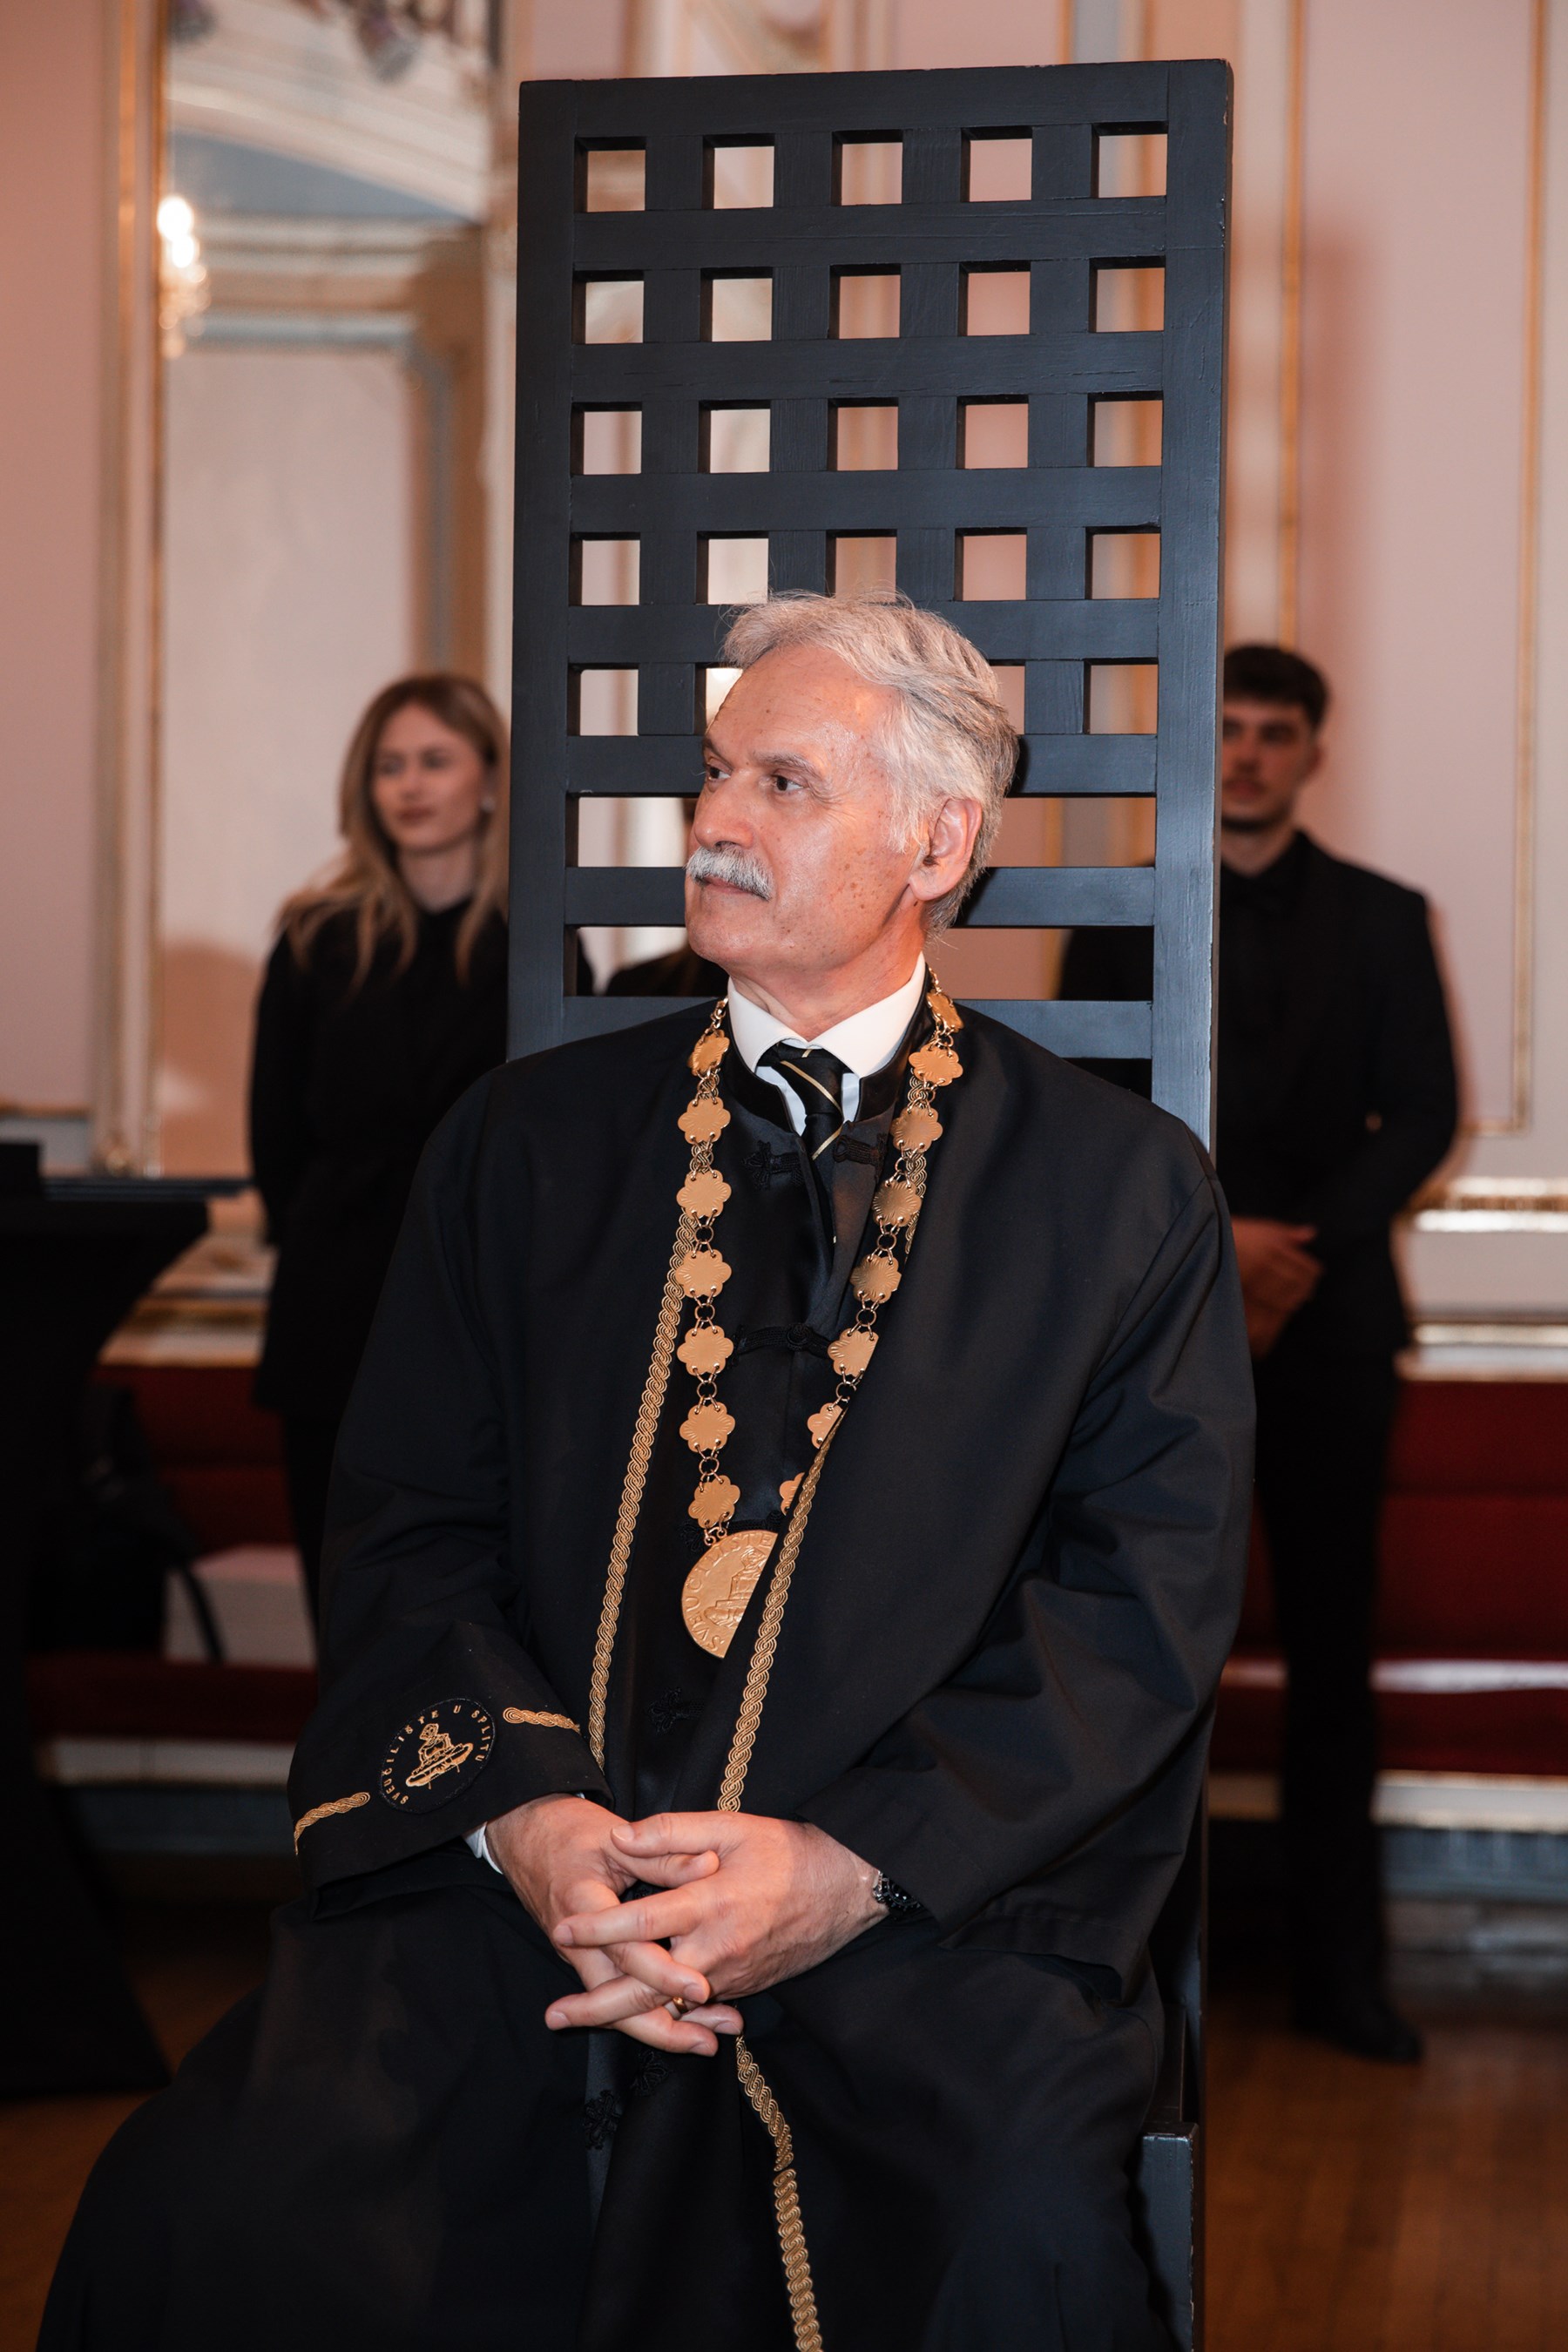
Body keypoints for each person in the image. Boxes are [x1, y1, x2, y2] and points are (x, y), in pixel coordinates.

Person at [45, 596, 1252, 2352]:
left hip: (916, 1915)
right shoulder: (519, 1146)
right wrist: (533, 1826)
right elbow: (410, 1531)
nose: (713, 821)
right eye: (713, 773)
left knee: (1013, 2242)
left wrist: (850, 1867)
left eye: (783, 783)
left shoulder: (1122, 1193)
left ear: (938, 844)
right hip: (526, 1887)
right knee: (209, 2206)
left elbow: (1138, 1603)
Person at [1059, 642, 1457, 2063]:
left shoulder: (1388, 917)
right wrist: (1221, 1240)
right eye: (1225, 727)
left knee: (1334, 1656)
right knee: (1140, 1655)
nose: (1245, 753)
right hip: (1160, 1324)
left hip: (1334, 1326)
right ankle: (1134, 1982)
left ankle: (1342, 1981)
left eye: (1273, 732)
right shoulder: (1115, 912)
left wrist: (1297, 1252)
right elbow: (1085, 1107)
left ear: (1311, 753)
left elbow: (1425, 1111)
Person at [248, 674, 510, 1615]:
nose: (410, 785)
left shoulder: (532, 948)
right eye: (389, 766)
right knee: (337, 1589)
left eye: (434, 760)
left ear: (490, 780)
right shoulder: (315, 939)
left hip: (479, 1303)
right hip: (332, 1302)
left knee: (465, 1595)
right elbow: (274, 1138)